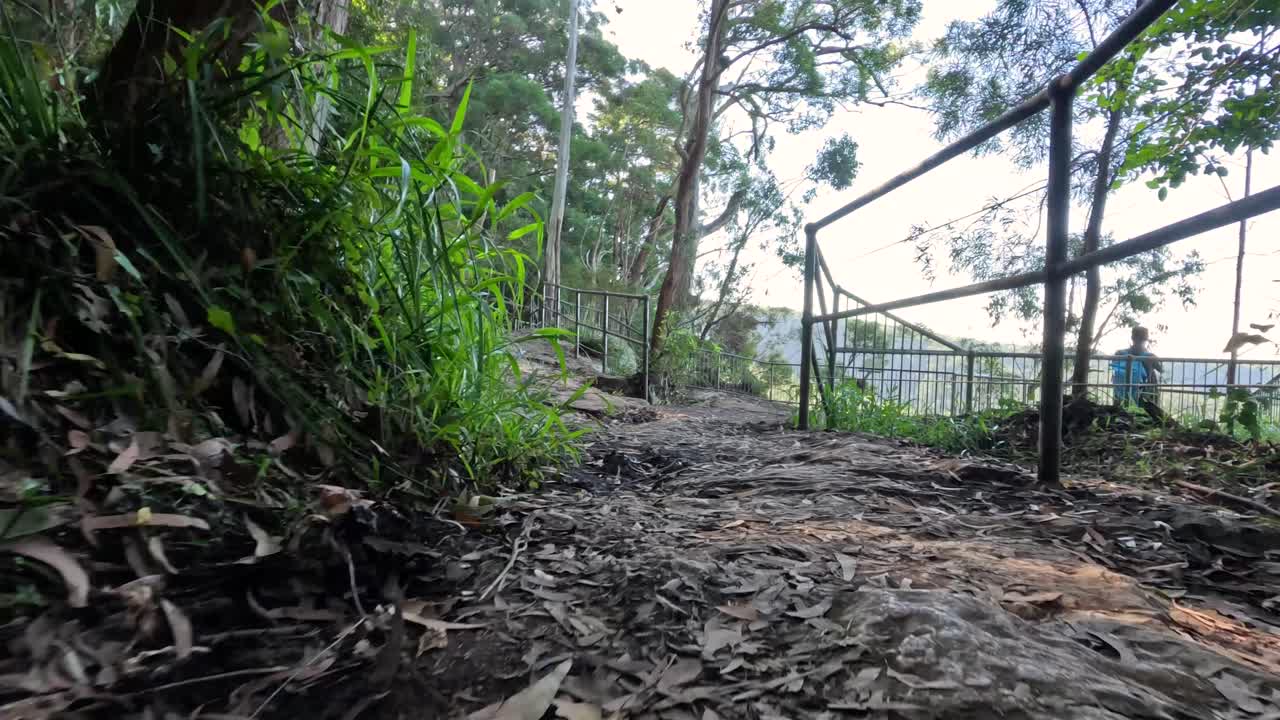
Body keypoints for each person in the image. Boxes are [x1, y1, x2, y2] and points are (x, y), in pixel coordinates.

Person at [1111, 326, 1165, 422]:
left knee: (1121, 413)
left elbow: (1114, 367)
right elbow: (1161, 370)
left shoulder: (1119, 353)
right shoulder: (1150, 357)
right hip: (1144, 392)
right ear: (1146, 339)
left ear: (1132, 337)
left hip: (1121, 392)